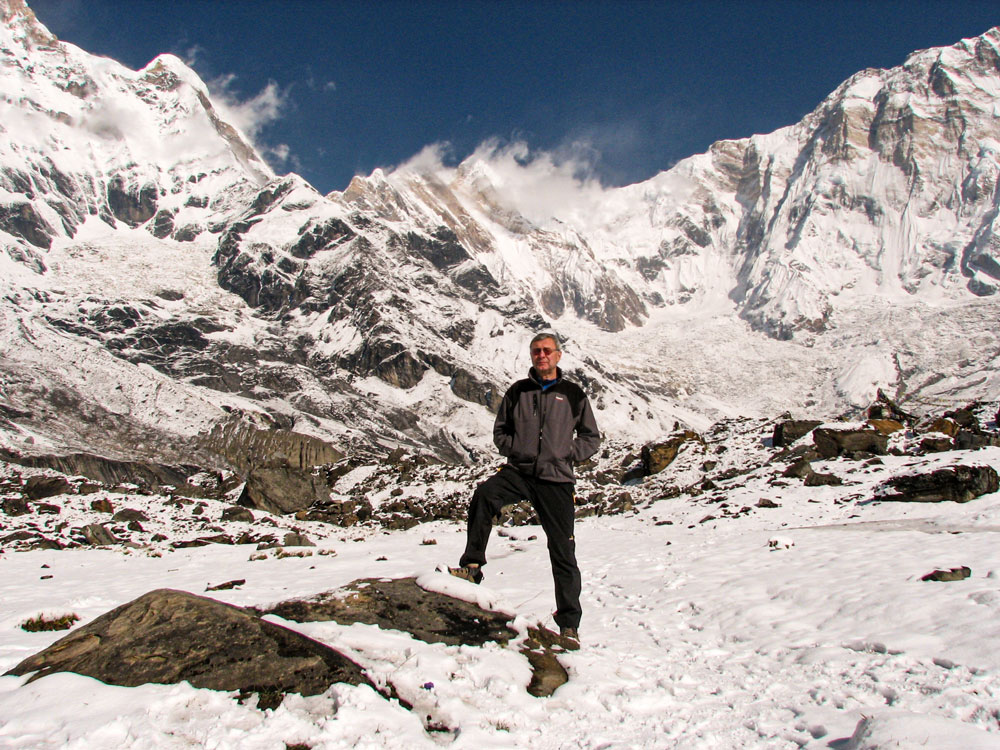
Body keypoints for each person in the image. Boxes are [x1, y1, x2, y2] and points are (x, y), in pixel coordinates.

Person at [450, 332, 602, 648]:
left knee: (563, 551)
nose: (541, 355)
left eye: (547, 350)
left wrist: (565, 452)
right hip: (519, 471)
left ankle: (569, 625)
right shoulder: (518, 392)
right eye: (536, 351)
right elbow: (501, 430)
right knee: (485, 495)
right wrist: (515, 449)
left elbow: (590, 437)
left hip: (556, 479)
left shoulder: (573, 394)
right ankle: (472, 567)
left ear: (558, 356)